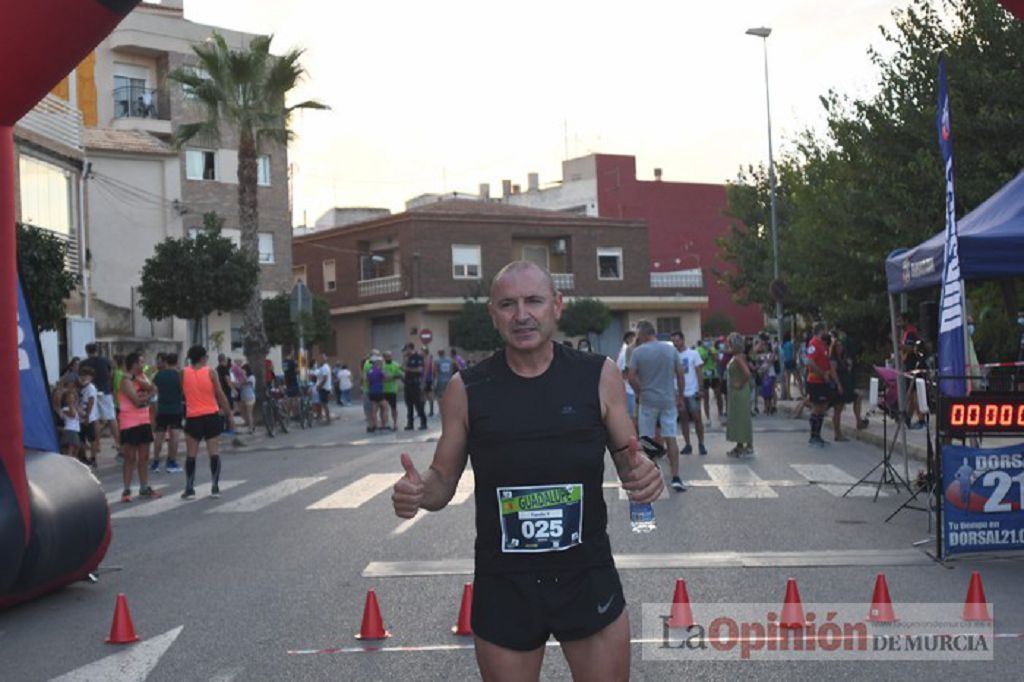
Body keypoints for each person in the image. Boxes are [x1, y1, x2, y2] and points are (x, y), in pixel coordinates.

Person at [391, 261, 662, 681]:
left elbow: (630, 458)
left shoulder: (598, 375)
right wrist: (418, 491)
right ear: (493, 315)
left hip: (585, 574)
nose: (522, 315)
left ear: (557, 306)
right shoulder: (466, 389)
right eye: (507, 304)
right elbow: (442, 481)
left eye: (533, 301)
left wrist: (646, 473)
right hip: (506, 583)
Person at [629, 320, 686, 491]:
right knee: (671, 437)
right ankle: (676, 476)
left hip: (648, 400)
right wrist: (680, 396)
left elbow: (631, 377)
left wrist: (640, 392)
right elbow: (680, 374)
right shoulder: (670, 349)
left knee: (646, 439)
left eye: (638, 335)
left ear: (643, 334)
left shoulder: (638, 353)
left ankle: (651, 476)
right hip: (668, 400)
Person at [181, 345, 233, 499]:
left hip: (193, 416)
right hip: (211, 415)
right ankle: (215, 487)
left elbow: (181, 392)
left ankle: (190, 488)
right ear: (203, 357)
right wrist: (229, 414)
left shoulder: (183, 373)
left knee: (191, 455)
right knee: (214, 453)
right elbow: (219, 393)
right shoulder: (211, 372)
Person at [118, 352, 160, 502]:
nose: (144, 365)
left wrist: (143, 384)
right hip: (130, 423)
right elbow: (137, 401)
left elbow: (152, 387)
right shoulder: (125, 381)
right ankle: (126, 489)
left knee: (144, 457)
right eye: (141, 362)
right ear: (134, 364)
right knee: (130, 458)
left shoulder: (141, 378)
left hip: (144, 421)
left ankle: (144, 487)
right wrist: (149, 395)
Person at [670, 331, 706, 456]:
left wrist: (701, 389)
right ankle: (688, 444)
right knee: (683, 419)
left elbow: (699, 372)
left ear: (683, 340)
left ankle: (701, 443)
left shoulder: (693, 354)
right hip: (679, 392)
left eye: (677, 340)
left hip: (692, 391)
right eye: (673, 341)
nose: (675, 343)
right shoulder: (672, 355)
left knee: (697, 418)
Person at [80, 343, 119, 455]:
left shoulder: (84, 363)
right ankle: (117, 442)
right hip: (105, 391)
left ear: (87, 351)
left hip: (90, 392)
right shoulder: (105, 361)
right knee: (111, 417)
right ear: (97, 350)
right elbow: (111, 374)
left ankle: (97, 444)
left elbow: (81, 378)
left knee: (95, 418)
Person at [806, 322, 841, 447]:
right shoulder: (813, 344)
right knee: (817, 407)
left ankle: (818, 435)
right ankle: (813, 436)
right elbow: (810, 362)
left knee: (822, 406)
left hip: (822, 381)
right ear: (821, 331)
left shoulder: (822, 345)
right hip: (815, 380)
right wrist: (822, 373)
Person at [151, 352, 184, 473]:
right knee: (174, 436)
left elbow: (153, 390)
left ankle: (155, 462)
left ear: (166, 362)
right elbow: (183, 390)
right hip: (176, 409)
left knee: (159, 436)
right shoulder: (179, 375)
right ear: (176, 362)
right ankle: (171, 462)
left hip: (162, 409)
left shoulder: (159, 375)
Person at [725, 332, 754, 457]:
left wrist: (740, 384)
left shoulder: (738, 357)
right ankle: (740, 445)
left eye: (729, 344)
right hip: (735, 392)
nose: (727, 346)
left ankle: (748, 446)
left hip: (739, 391)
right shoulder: (737, 356)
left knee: (742, 418)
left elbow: (747, 373)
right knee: (737, 418)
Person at [402, 343, 428, 430]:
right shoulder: (407, 358)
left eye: (406, 350)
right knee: (409, 405)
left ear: (410, 348)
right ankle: (410, 424)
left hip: (415, 384)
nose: (405, 352)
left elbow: (420, 369)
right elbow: (403, 368)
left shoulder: (418, 357)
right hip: (407, 384)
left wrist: (408, 369)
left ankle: (423, 422)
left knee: (418, 404)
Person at [78, 366, 99, 467]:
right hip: (81, 418)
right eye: (81, 375)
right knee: (82, 439)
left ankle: (93, 458)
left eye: (86, 376)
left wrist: (87, 417)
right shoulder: (82, 388)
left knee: (92, 439)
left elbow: (91, 402)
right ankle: (84, 457)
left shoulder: (90, 388)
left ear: (91, 377)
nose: (83, 377)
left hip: (88, 419)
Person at [616, 331, 637, 428]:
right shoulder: (626, 352)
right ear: (629, 339)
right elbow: (624, 372)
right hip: (629, 389)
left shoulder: (624, 351)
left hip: (627, 388)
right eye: (634, 338)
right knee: (632, 417)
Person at [58, 376, 82, 458]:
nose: (71, 399)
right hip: (69, 430)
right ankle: (70, 461)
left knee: (77, 447)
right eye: (69, 398)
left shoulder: (76, 408)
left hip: (75, 430)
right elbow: (72, 414)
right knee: (71, 448)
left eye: (73, 398)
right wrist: (71, 404)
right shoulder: (65, 409)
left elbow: (80, 416)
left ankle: (73, 460)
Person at [366, 354, 388, 432]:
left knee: (374, 409)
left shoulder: (369, 371)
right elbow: (386, 377)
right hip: (379, 391)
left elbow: (368, 382)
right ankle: (384, 425)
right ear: (376, 363)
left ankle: (375, 425)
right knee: (385, 408)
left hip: (372, 391)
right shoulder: (379, 370)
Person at [382, 350, 402, 430]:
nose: (389, 358)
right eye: (387, 356)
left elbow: (401, 375)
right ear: (384, 357)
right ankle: (384, 424)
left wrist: (391, 377)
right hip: (383, 390)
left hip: (392, 390)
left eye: (390, 356)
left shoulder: (395, 365)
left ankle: (395, 423)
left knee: (393, 408)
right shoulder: (381, 365)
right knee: (383, 408)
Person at [315, 353, 332, 424]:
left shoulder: (325, 367)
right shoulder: (324, 367)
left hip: (324, 388)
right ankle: (327, 418)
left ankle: (328, 419)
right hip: (325, 387)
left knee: (324, 404)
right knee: (324, 403)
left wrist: (319, 386)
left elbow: (325, 378)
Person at [239, 363, 257, 433]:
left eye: (243, 370)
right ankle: (251, 424)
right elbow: (240, 385)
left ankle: (251, 428)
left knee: (249, 413)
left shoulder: (252, 377)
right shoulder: (243, 377)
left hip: (250, 397)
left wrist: (243, 375)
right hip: (243, 397)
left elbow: (248, 383)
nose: (243, 371)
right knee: (243, 412)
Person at [781, 332, 796, 401]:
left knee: (787, 379)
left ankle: (788, 395)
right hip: (791, 361)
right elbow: (793, 353)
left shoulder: (783, 344)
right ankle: (801, 393)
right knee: (797, 377)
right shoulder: (790, 344)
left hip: (785, 362)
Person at [422, 348, 436, 417]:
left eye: (422, 351)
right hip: (430, 379)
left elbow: (426, 370)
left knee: (425, 395)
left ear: (425, 352)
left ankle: (423, 411)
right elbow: (433, 371)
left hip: (427, 380)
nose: (421, 352)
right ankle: (430, 411)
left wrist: (423, 380)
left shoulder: (426, 359)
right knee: (429, 395)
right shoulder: (430, 359)